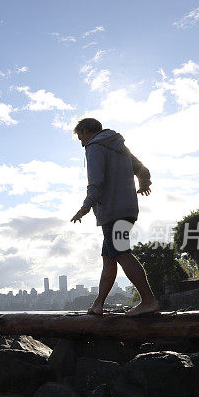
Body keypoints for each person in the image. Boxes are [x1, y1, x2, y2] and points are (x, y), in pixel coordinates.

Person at [69, 118, 160, 317]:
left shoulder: (95, 146)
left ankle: (148, 300)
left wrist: (84, 208)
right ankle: (98, 304)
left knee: (120, 252)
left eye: (80, 138)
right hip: (126, 208)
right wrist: (144, 182)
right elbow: (142, 168)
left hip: (113, 211)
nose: (82, 144)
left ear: (85, 131)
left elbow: (96, 182)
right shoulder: (119, 145)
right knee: (109, 257)